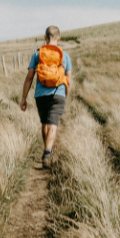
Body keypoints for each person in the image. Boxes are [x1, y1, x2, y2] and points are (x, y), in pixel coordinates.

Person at [20, 25, 72, 168]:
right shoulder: (64, 56)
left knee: (44, 123)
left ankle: (46, 150)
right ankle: (47, 152)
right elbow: (68, 80)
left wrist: (24, 98)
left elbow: (29, 77)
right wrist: (65, 96)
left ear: (45, 38)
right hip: (58, 94)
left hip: (40, 95)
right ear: (58, 39)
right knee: (53, 125)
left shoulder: (37, 55)